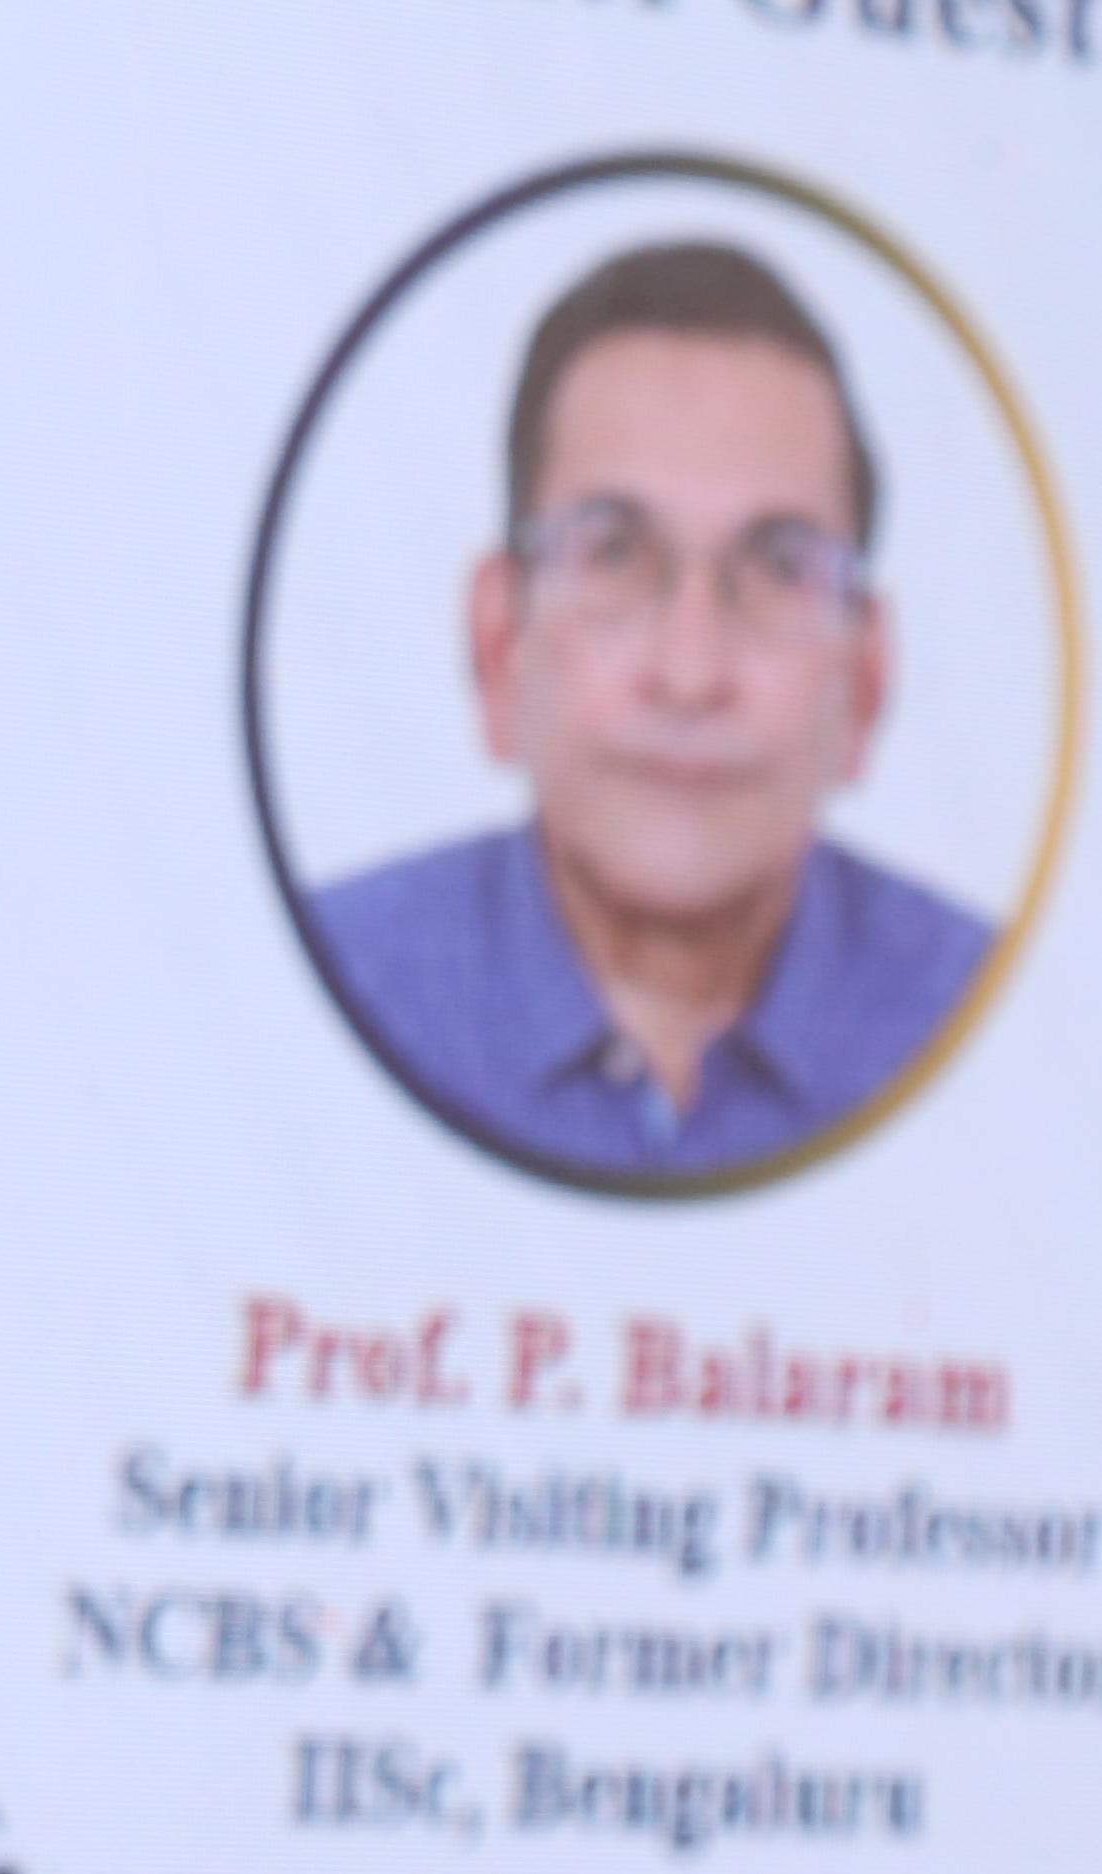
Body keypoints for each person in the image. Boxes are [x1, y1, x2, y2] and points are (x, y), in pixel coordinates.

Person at [306, 238, 992, 1180]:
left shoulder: (1001, 1028)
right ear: (500, 645)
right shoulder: (317, 988)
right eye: (616, 554)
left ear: (866, 679)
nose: (690, 673)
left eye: (779, 567)